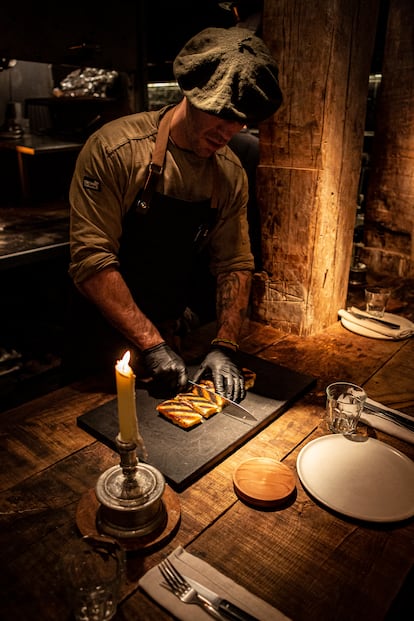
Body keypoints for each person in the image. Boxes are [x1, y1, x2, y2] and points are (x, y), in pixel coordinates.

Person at [67, 26, 282, 402]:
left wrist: (225, 344)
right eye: (221, 114)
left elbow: (234, 262)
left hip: (171, 335)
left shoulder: (229, 172)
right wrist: (150, 345)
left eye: (240, 120)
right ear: (191, 94)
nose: (230, 130)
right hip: (98, 342)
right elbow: (91, 260)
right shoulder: (116, 150)